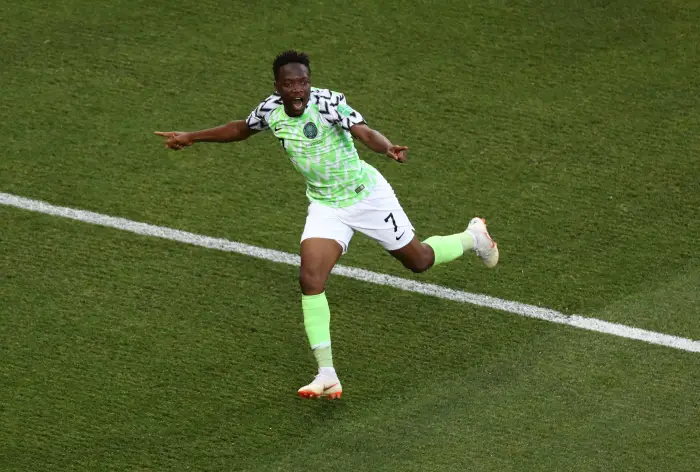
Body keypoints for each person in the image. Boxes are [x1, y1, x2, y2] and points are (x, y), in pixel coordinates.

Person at [155, 50, 499, 400]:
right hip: (326, 205)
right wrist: (193, 136)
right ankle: (327, 373)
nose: (298, 88)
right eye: (289, 83)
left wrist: (386, 148)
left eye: (303, 81)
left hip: (366, 196)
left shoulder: (328, 102)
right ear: (278, 86)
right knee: (310, 278)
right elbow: (241, 129)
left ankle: (473, 236)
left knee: (420, 260)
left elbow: (362, 130)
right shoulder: (269, 110)